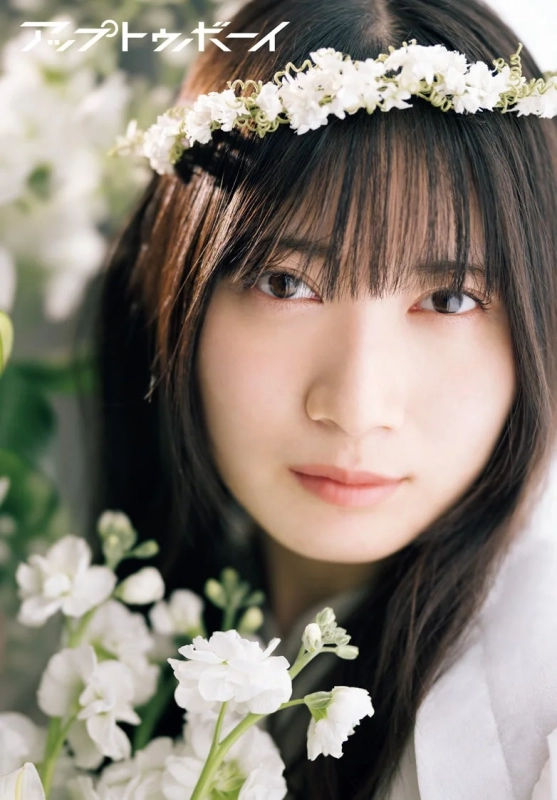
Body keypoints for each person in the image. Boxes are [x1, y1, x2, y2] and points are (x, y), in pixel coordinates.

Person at [79, 0, 557, 797]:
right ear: (177, 288)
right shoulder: (70, 629)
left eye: (448, 300)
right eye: (285, 283)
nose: (356, 405)